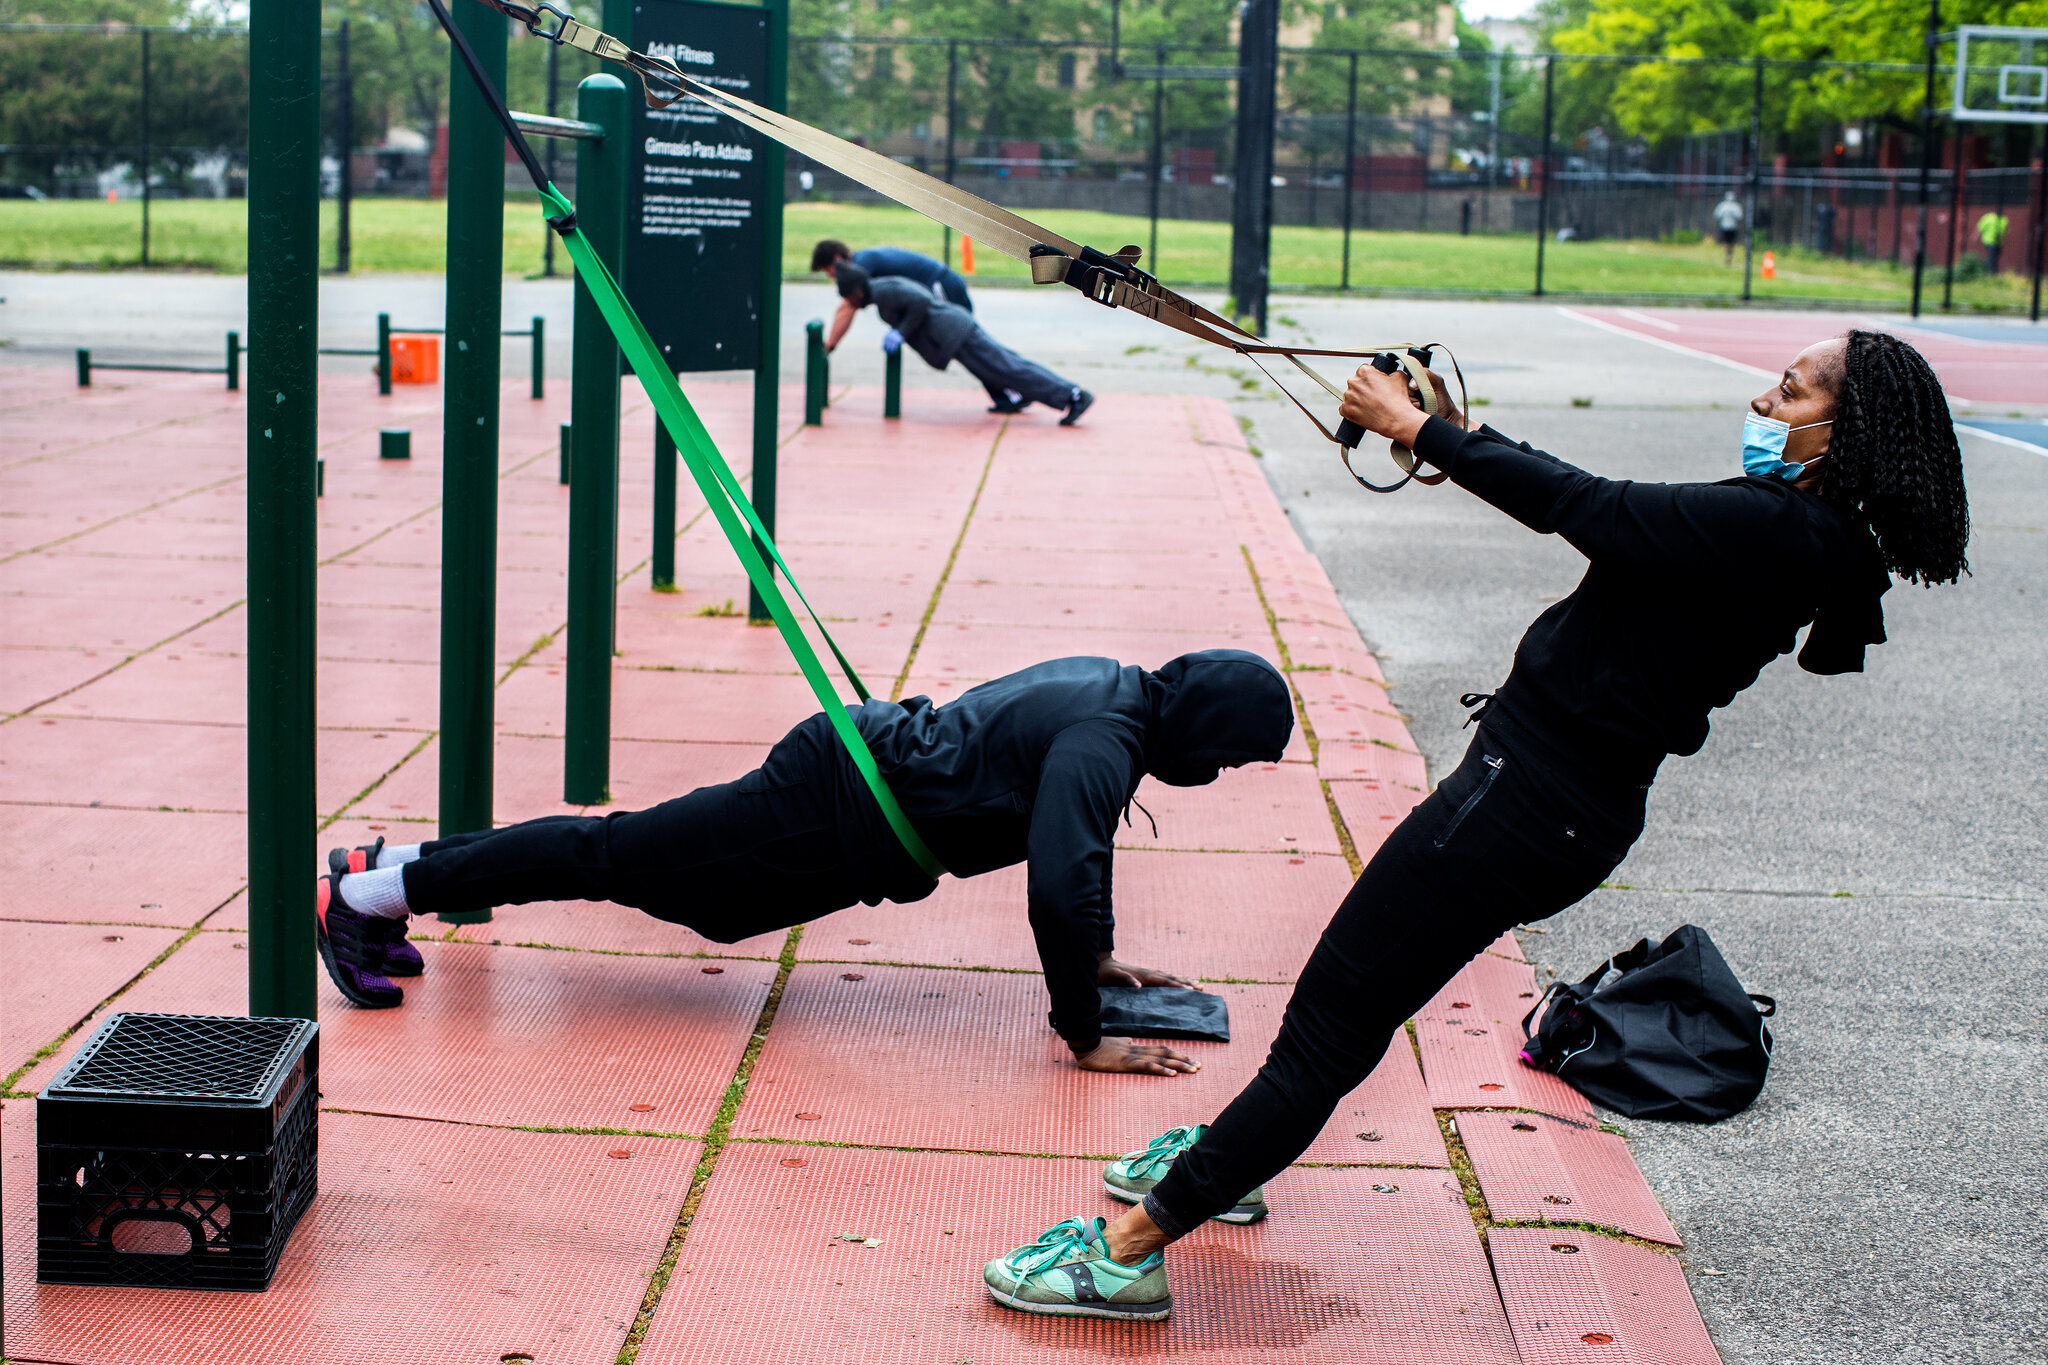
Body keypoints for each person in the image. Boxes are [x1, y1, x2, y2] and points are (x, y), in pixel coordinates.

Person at [983, 329, 1972, 1320]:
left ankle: (1130, 1248)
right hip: (1544, 805)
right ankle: (1223, 1160)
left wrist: (1421, 433)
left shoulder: (1773, 530)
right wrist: (1446, 433)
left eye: (1791, 394)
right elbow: (1600, 508)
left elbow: (1585, 506)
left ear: (1845, 434)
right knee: (1340, 1010)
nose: (1765, 404)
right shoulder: (1801, 529)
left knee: (1330, 1024)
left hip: (1523, 808)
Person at [315, 651, 1291, 1074]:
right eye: (1228, 753)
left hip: (844, 803)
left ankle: (393, 871)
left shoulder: (1118, 695)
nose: (1213, 771)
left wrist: (1101, 957)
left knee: (651, 876)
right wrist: (1083, 1030)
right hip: (825, 806)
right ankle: (367, 889)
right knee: (612, 854)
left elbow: (1077, 857)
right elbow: (1060, 879)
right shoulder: (1102, 738)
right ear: (1205, 725)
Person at [832, 261, 1094, 424]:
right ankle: (1044, 397)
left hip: (956, 331)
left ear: (856, 291)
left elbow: (921, 300)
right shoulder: (879, 294)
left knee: (1009, 368)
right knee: (1004, 369)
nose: (850, 304)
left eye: (848, 298)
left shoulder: (883, 290)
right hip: (954, 337)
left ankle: (1073, 396)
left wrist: (900, 331)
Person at [813, 238, 972, 352]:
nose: (830, 276)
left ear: (837, 259)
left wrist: (829, 346)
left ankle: (995, 380)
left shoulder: (861, 265)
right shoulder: (863, 259)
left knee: (965, 339)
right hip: (938, 284)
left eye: (828, 270)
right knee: (964, 344)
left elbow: (847, 308)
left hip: (941, 283)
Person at [1714, 190, 1745, 264]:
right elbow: (1717, 215)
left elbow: (1739, 216)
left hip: (1731, 227)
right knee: (1728, 242)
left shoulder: (1727, 206)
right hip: (1726, 227)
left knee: (1729, 242)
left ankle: (1728, 254)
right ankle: (1728, 254)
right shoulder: (1725, 205)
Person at [1978, 209, 2009, 274]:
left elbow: (2005, 231)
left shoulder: (2003, 219)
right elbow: (1980, 228)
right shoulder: (1989, 218)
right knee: (1991, 258)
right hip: (1989, 241)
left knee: (1995, 258)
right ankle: (1990, 273)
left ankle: (1992, 272)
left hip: (1998, 242)